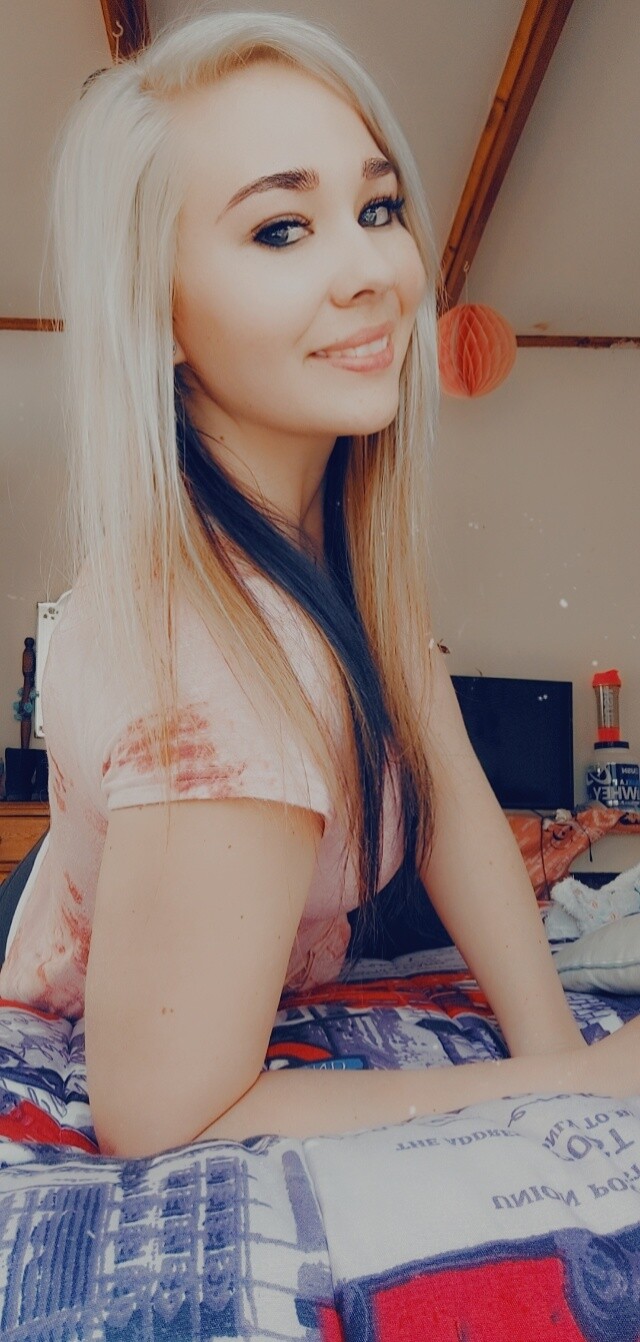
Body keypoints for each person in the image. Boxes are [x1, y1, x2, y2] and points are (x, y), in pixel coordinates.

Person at [0, 10, 637, 1159]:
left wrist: (556, 1048)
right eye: (281, 227)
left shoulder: (328, 544)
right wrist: (561, 1088)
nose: (373, 274)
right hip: (89, 979)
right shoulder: (216, 664)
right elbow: (163, 1118)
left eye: (377, 209)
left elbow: (443, 776)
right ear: (158, 311)